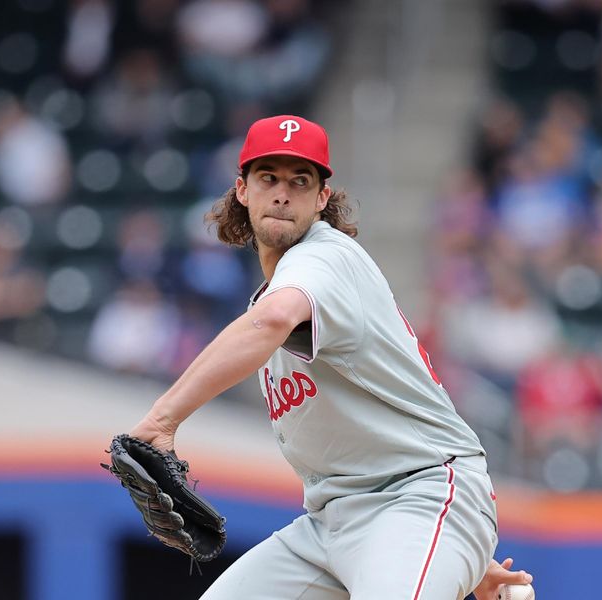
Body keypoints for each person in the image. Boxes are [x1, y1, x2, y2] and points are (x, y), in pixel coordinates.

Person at [129, 115, 533, 599]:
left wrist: (162, 420)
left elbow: (275, 320)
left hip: (421, 495)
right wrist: (449, 558)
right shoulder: (271, 300)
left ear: (322, 199)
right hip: (334, 524)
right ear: (242, 190)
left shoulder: (324, 257)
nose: (283, 193)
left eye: (300, 181)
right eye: (268, 178)